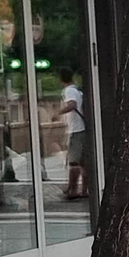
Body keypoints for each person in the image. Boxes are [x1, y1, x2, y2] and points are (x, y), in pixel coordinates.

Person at [59, 68, 88, 200]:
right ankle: (84, 190)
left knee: (73, 162)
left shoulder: (69, 90)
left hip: (76, 130)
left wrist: (58, 113)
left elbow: (72, 104)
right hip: (82, 129)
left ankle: (72, 190)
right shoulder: (77, 89)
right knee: (83, 163)